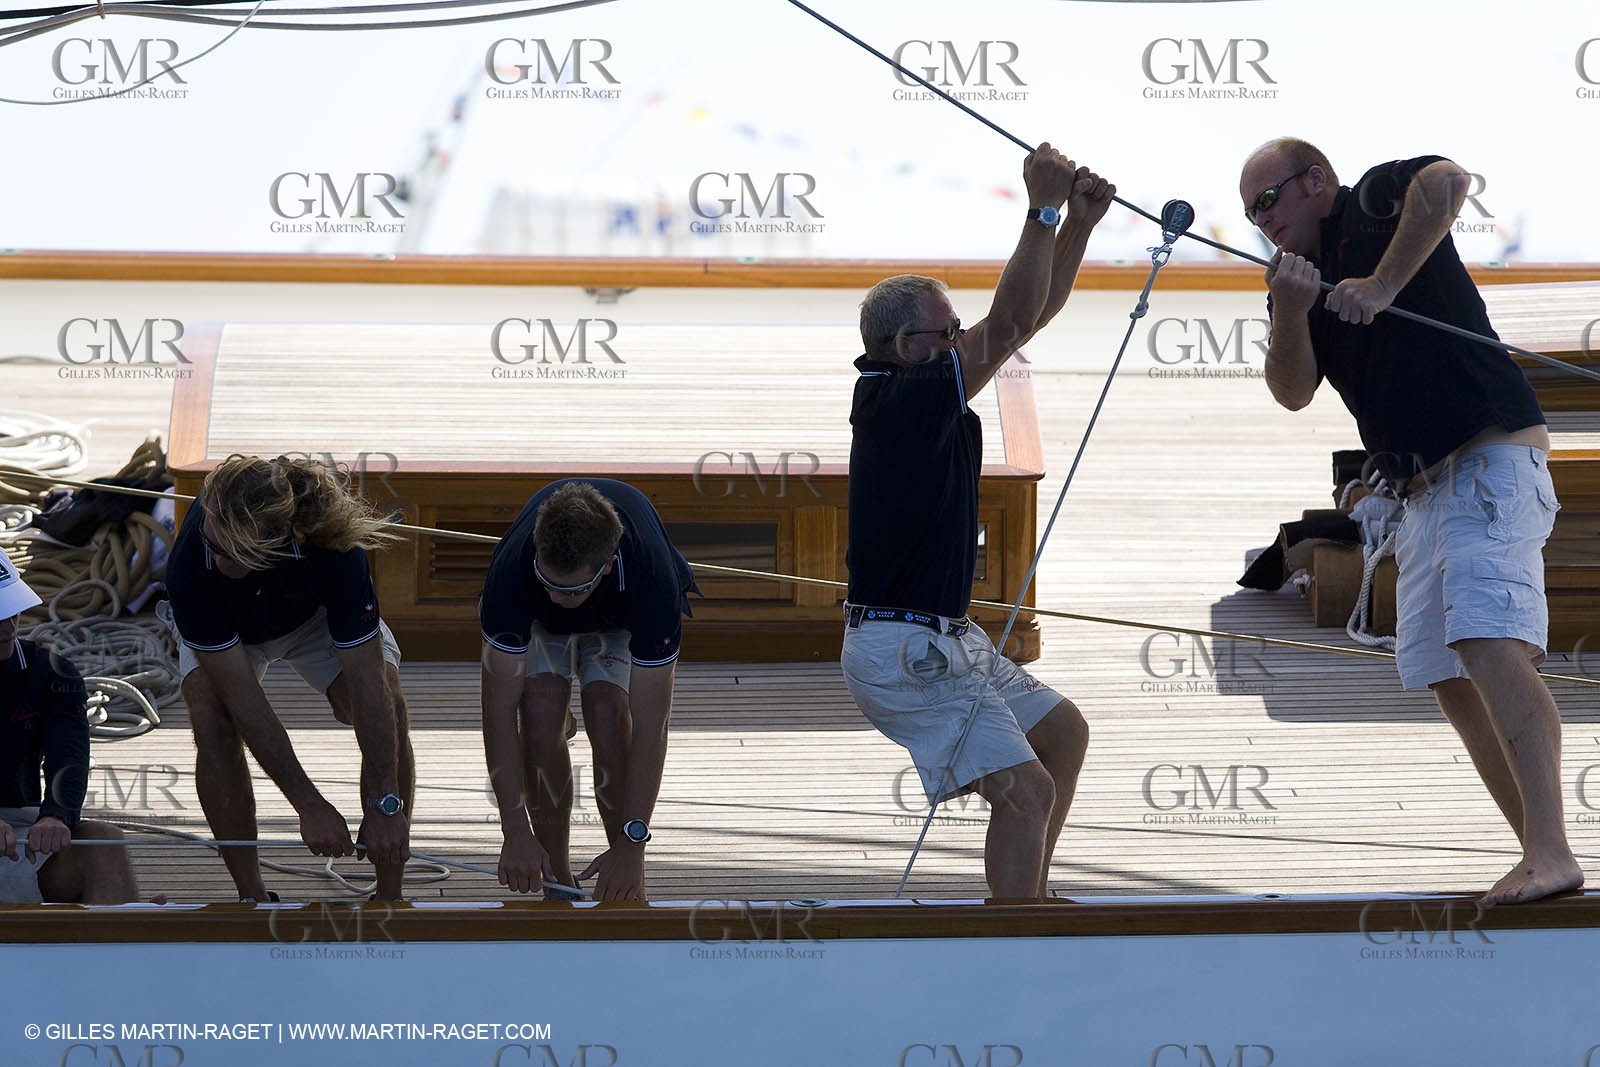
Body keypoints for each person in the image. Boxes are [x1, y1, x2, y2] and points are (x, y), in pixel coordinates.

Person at [1240, 137, 1583, 904]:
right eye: (1250, 213)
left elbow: (1449, 180)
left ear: (1315, 181)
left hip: (1488, 455)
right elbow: (1292, 391)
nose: (1262, 220)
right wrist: (1289, 308)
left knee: (1487, 641)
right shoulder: (1294, 282)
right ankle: (1536, 851)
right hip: (1420, 494)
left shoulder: (1372, 200)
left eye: (1268, 200)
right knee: (1446, 674)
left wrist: (1384, 282)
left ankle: (1552, 851)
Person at [841, 144, 1110, 900]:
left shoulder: (920, 386)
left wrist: (1078, 228)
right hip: (904, 649)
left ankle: (1028, 902)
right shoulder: (902, 397)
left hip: (945, 636)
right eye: (948, 331)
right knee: (1027, 792)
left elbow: (1022, 322)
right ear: (905, 346)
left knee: (1061, 733)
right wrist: (1042, 210)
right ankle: (1016, 926)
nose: (961, 340)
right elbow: (1012, 319)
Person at [161, 455, 414, 901]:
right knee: (213, 723)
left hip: (311, 616)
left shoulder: (335, 549)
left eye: (230, 553)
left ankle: (389, 896)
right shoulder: (193, 566)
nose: (215, 559)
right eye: (211, 543)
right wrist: (309, 805)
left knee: (387, 703)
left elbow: (367, 679)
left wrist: (385, 802)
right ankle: (252, 896)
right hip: (231, 625)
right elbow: (245, 702)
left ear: (278, 536)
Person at [480, 479, 698, 903]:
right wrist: (515, 832)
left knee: (609, 716)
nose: (557, 596)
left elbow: (652, 726)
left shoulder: (652, 580)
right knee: (538, 717)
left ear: (608, 564)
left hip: (618, 618)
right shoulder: (512, 574)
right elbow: (498, 714)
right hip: (537, 622)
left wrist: (633, 844)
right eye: (548, 582)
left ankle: (622, 875)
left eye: (572, 589)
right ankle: (558, 881)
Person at [0, 547, 140, 904]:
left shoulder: (53, 672)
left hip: (19, 822)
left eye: (12, 609)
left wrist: (56, 815)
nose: (8, 625)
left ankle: (121, 931)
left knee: (105, 842)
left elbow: (69, 754)